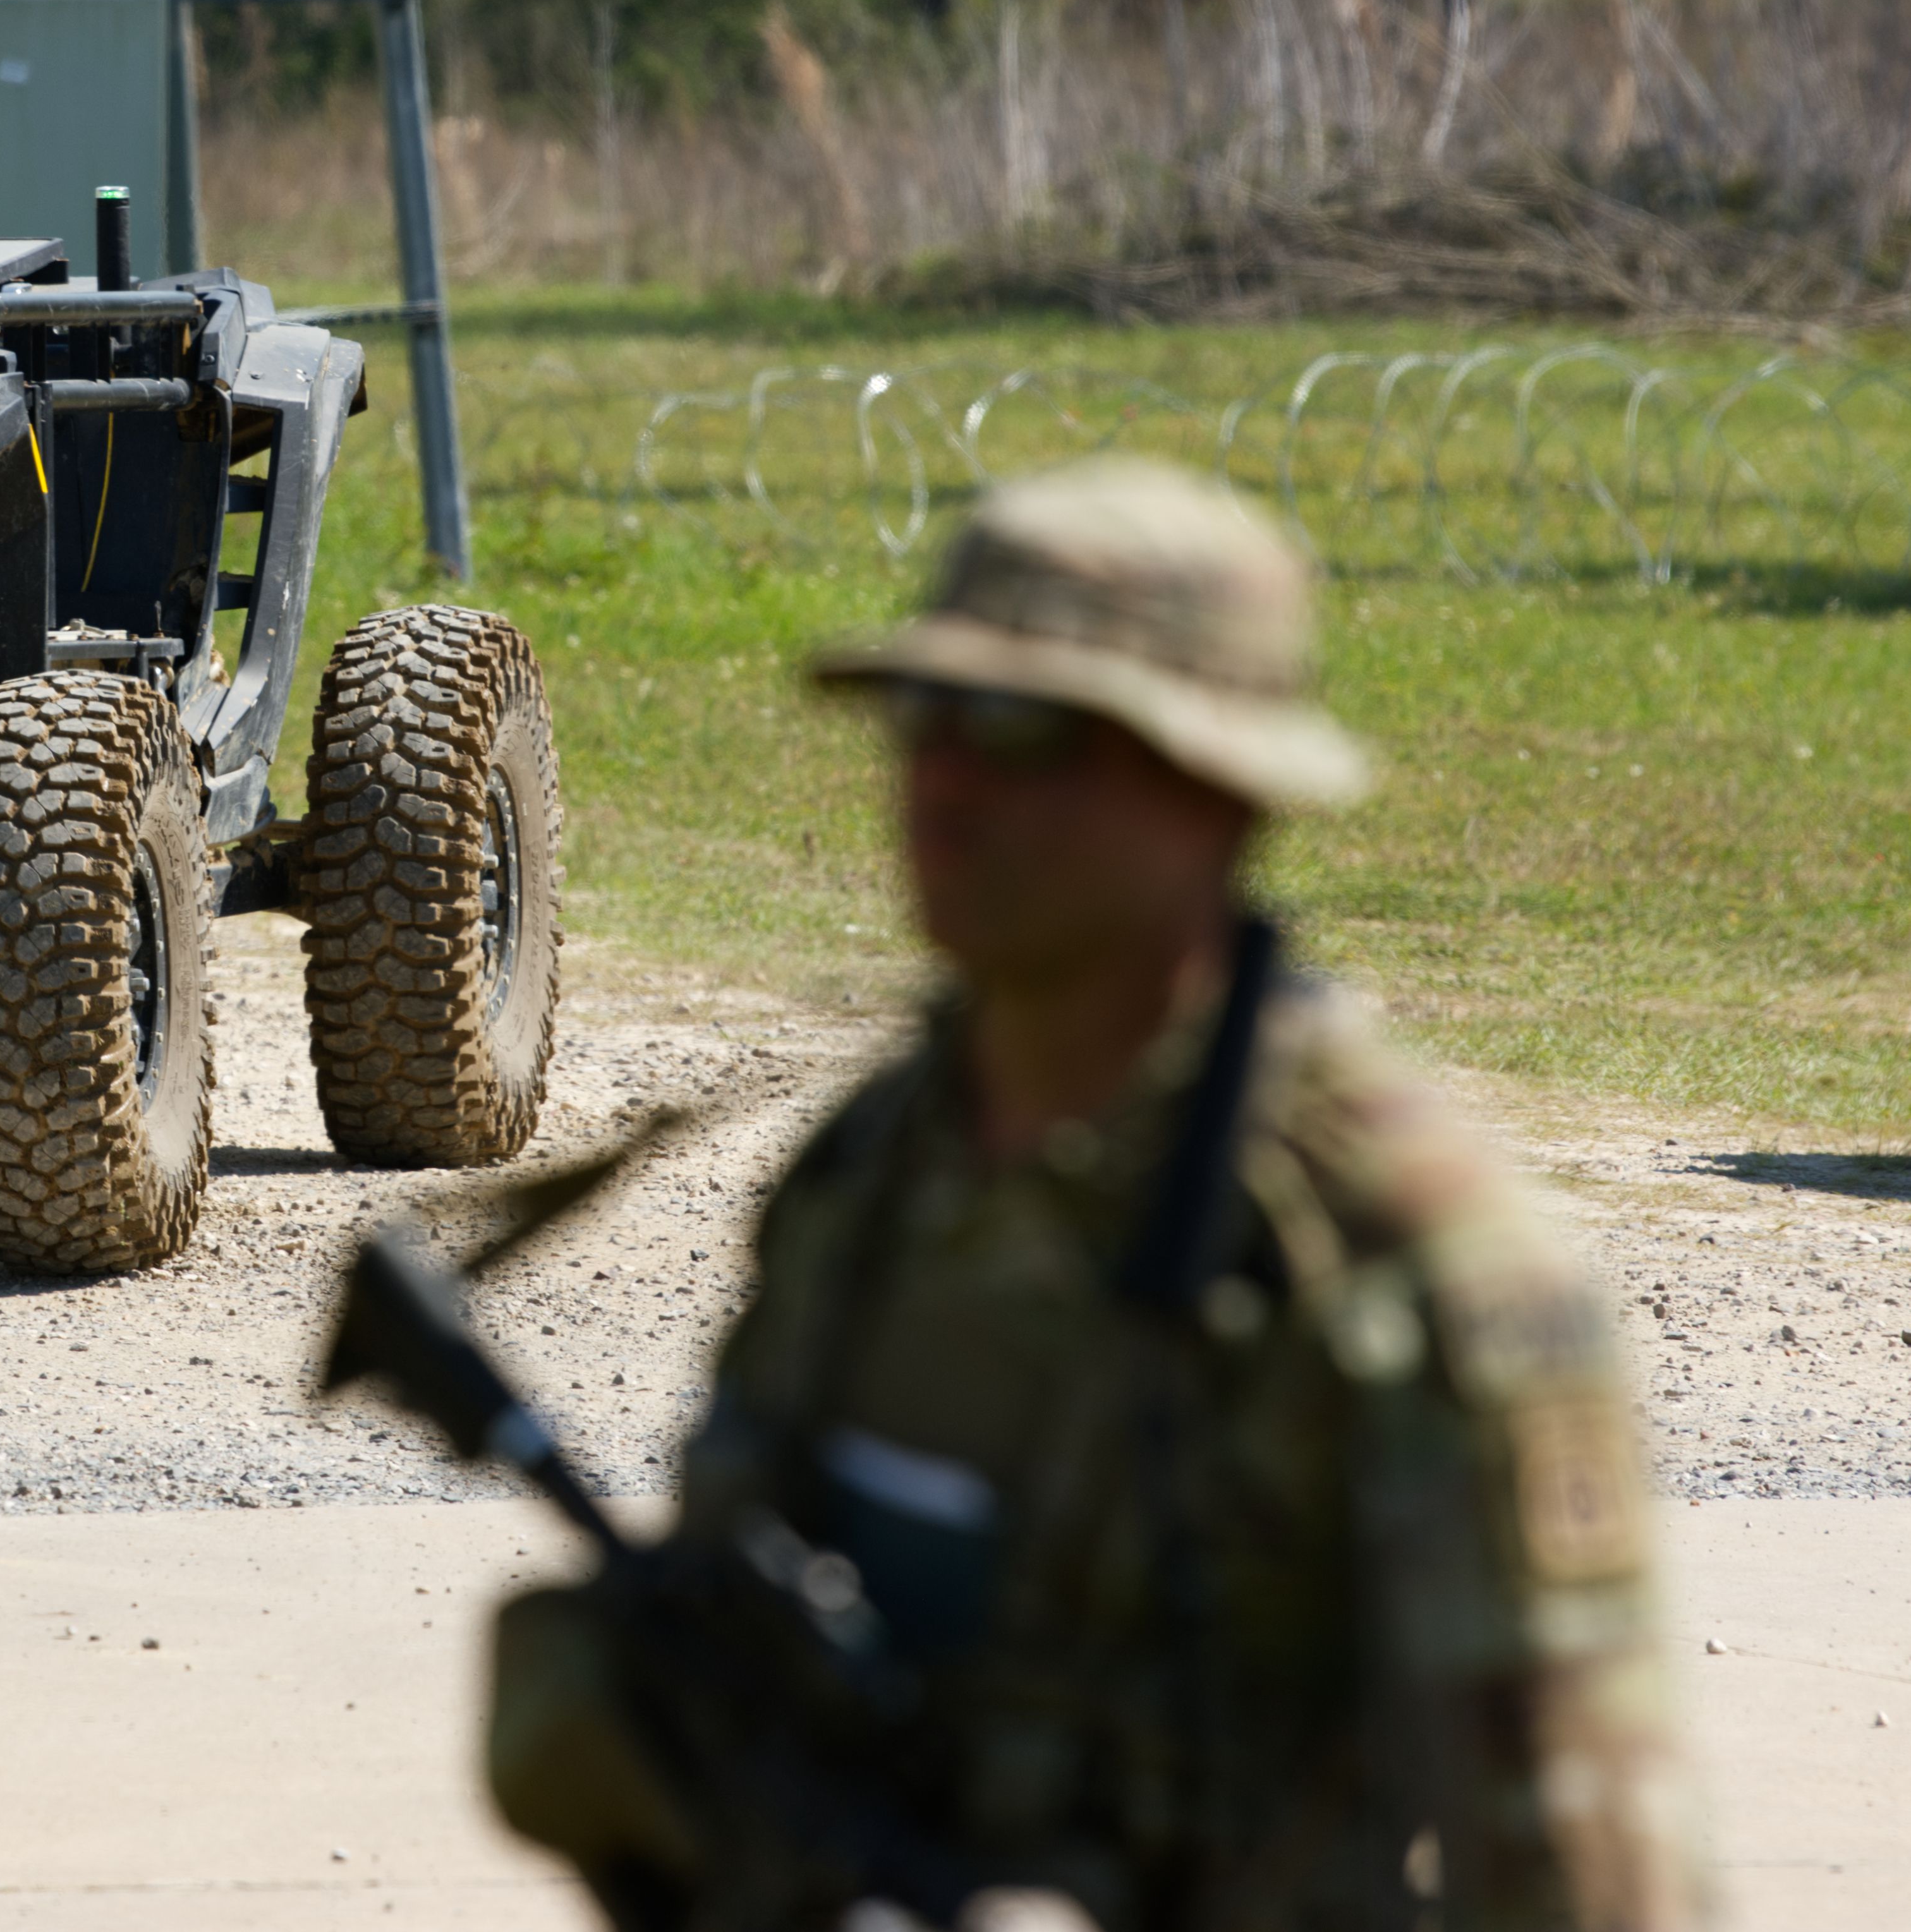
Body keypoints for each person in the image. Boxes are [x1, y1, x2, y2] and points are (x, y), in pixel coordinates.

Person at [485, 459, 1701, 1932]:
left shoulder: (1399, 1259)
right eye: (921, 719)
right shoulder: (872, 1173)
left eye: (1018, 730)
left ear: (1211, 787)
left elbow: (1583, 1881)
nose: (940, 781)